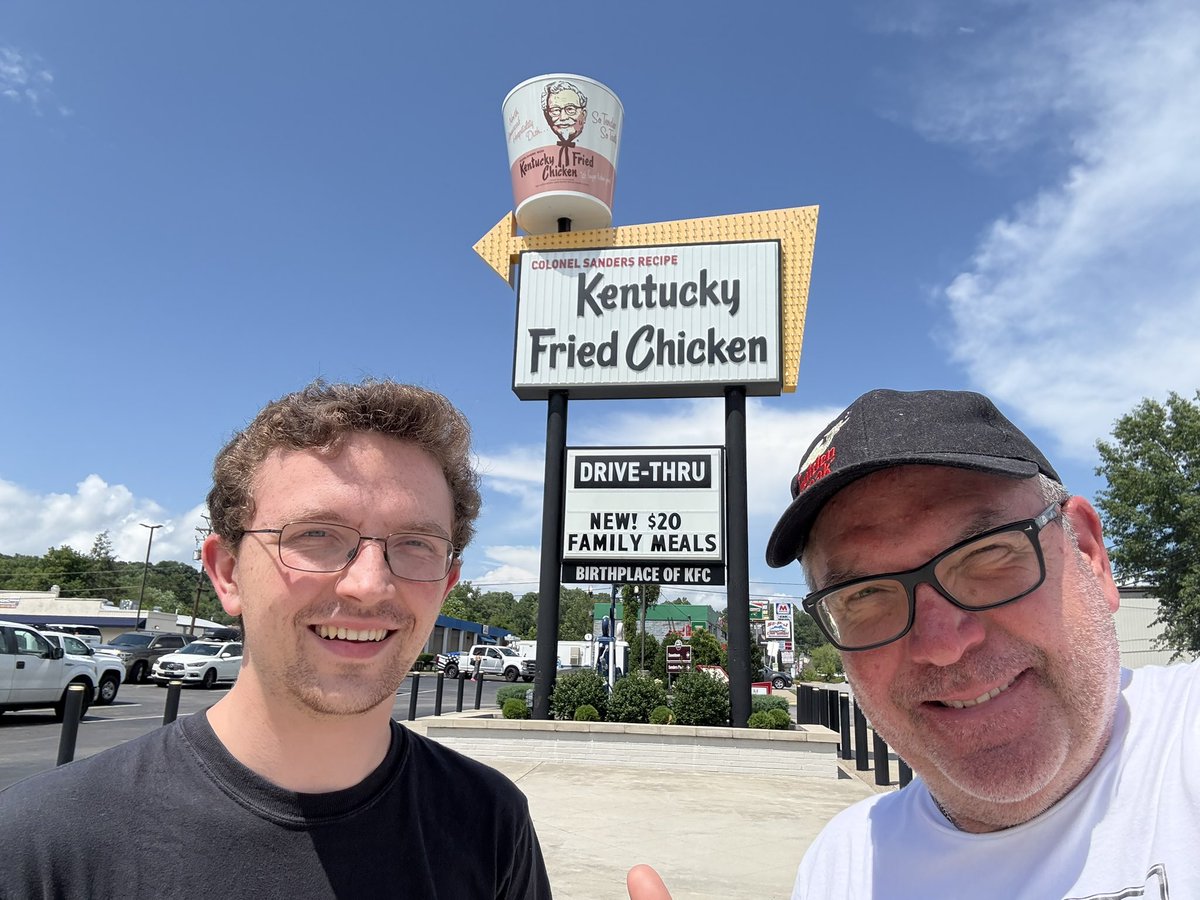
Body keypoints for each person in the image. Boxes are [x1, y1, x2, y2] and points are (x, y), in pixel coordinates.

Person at [0, 379, 551, 899]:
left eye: (415, 544)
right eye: (316, 535)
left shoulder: (490, 822)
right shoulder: (42, 845)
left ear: (446, 585)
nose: (369, 584)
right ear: (228, 572)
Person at [761, 388, 1199, 898]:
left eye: (988, 555)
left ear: (1088, 553)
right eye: (866, 596)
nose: (943, 644)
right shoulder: (843, 869)